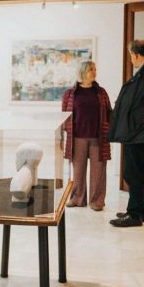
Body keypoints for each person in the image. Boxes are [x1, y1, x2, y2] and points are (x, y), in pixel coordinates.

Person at [107, 40, 144, 227]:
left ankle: (134, 214)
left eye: (130, 55)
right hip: (138, 132)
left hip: (140, 133)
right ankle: (141, 211)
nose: (131, 59)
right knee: (139, 172)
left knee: (133, 173)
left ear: (135, 54)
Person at [61, 60, 112, 211]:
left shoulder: (101, 92)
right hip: (77, 138)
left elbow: (109, 113)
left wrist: (110, 130)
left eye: (95, 69)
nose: (94, 72)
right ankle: (77, 199)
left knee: (98, 172)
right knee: (78, 172)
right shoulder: (70, 94)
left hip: (98, 138)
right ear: (82, 72)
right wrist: (61, 137)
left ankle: (97, 201)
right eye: (91, 70)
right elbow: (63, 116)